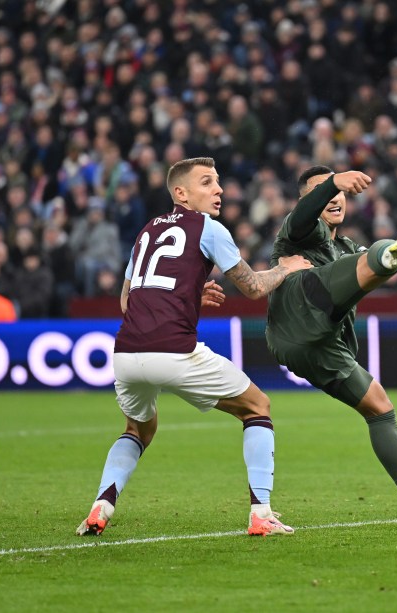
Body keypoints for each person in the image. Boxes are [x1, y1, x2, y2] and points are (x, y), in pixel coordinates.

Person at [76, 157, 311, 538]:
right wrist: (286, 268)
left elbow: (127, 301)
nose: (218, 189)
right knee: (257, 408)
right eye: (207, 183)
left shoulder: (147, 230)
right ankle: (262, 513)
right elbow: (251, 287)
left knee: (138, 429)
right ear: (181, 193)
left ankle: (101, 505)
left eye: (218, 182)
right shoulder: (208, 228)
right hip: (173, 351)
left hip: (126, 354)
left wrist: (185, 295)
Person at [265, 165, 397, 530]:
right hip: (299, 311)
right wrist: (333, 181)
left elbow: (390, 268)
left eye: (338, 192)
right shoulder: (298, 234)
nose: (334, 197)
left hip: (321, 345)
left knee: (381, 409)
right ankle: (394, 247)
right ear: (307, 198)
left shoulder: (345, 246)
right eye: (322, 192)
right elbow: (302, 217)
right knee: (378, 256)